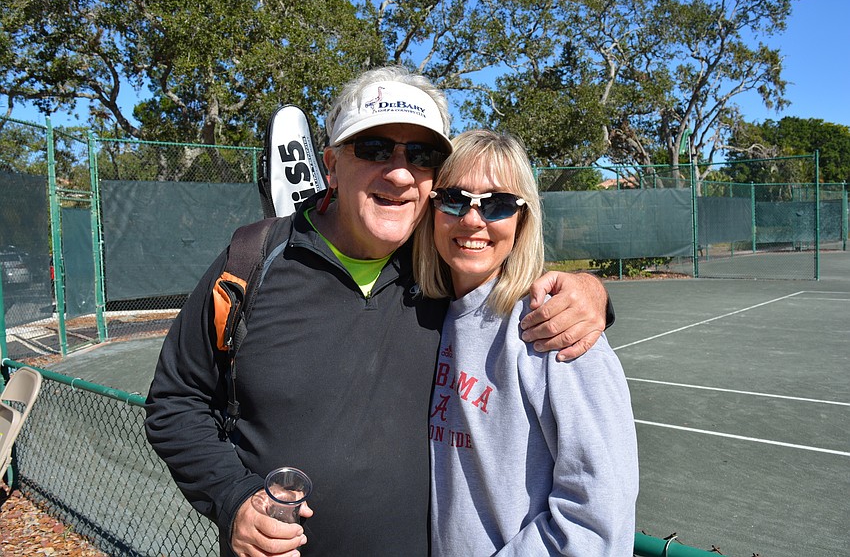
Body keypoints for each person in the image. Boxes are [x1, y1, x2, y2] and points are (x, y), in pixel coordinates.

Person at [145, 66, 612, 557]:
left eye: (422, 154)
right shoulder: (251, 262)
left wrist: (586, 290)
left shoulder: (440, 271)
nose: (399, 171)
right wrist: (233, 498)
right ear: (330, 164)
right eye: (373, 149)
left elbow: (501, 256)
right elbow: (176, 400)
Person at [414, 130, 638, 555]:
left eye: (497, 204)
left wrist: (591, 289)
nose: (473, 220)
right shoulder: (422, 312)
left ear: (523, 219)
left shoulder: (554, 325)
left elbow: (597, 517)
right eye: (454, 198)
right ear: (433, 209)